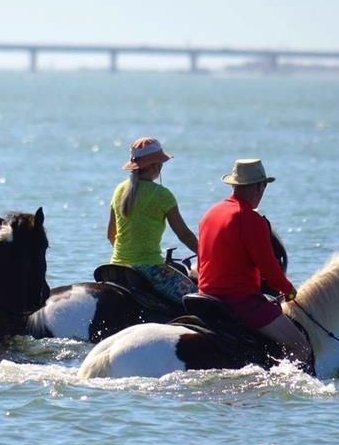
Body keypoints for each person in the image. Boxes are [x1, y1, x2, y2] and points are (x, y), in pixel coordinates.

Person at [197, 159, 311, 364]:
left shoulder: (210, 213)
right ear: (259, 186)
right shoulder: (250, 219)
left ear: (234, 185)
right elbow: (270, 269)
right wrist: (290, 291)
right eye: (264, 186)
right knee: (300, 345)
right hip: (240, 302)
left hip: (206, 298)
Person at [107, 137, 198, 305]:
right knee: (195, 297)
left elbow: (111, 235)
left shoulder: (119, 190)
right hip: (150, 269)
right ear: (154, 165)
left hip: (116, 267)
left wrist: (129, 254)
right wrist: (206, 254)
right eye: (161, 163)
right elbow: (184, 235)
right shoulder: (162, 195)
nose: (162, 166)